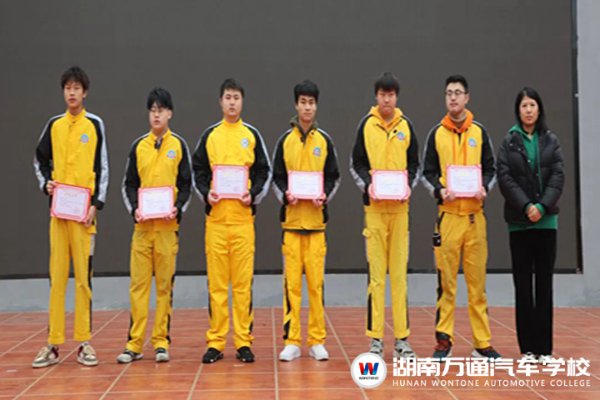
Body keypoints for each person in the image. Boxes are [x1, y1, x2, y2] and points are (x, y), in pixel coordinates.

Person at [33, 66, 109, 368]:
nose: (72, 93)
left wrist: (96, 205)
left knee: (83, 280)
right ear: (63, 92)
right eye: (68, 88)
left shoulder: (94, 124)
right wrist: (46, 184)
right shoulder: (54, 125)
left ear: (85, 92)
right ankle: (52, 343)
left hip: (83, 217)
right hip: (59, 215)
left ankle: (84, 343)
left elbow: (103, 167)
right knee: (57, 279)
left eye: (77, 88)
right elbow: (39, 159)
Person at [422, 74, 501, 360]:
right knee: (446, 284)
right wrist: (440, 190)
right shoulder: (436, 134)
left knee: (477, 285)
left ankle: (482, 342)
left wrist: (485, 187)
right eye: (449, 93)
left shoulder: (479, 132)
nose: (453, 97)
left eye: (458, 92)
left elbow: (491, 169)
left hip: (474, 218)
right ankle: (444, 340)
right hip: (448, 217)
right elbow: (427, 173)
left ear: (467, 97)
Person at [192, 78, 271, 363]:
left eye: (236, 97)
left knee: (242, 285)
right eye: (227, 97)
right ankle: (215, 342)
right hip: (216, 221)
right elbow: (198, 171)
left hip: (242, 221)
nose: (232, 102)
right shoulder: (210, 135)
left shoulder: (251, 135)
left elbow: (263, 171)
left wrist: (253, 194)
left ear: (242, 101)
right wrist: (206, 193)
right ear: (220, 102)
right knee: (216, 285)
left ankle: (243, 342)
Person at [117, 88, 192, 364]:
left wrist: (177, 208)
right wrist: (134, 210)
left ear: (170, 113)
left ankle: (161, 342)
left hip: (167, 230)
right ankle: (134, 344)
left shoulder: (178, 146)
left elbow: (186, 185)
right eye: (152, 110)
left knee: (164, 288)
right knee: (138, 287)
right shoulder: (139, 146)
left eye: (161, 110)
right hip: (142, 229)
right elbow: (128, 185)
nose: (156, 115)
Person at [350, 72, 419, 359]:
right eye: (382, 94)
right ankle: (375, 339)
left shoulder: (406, 126)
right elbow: (356, 163)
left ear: (396, 97)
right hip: (375, 212)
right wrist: (368, 186)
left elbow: (414, 165)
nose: (386, 99)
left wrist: (408, 185)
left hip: (400, 211)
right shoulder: (366, 125)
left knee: (399, 277)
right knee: (376, 278)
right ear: (376, 96)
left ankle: (402, 339)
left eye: (390, 95)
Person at [272, 80, 340, 362]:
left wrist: (324, 196)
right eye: (303, 102)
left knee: (315, 286)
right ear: (296, 105)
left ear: (316, 106)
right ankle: (291, 341)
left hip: (316, 226)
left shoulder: (324, 141)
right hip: (291, 225)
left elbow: (334, 177)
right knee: (291, 287)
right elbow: (276, 178)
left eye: (311, 102)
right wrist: (285, 195)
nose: (307, 107)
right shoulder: (284, 141)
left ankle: (317, 340)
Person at [497, 87, 564, 365]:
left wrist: (542, 207)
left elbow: (557, 177)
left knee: (544, 285)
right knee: (523, 287)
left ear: (539, 109)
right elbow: (505, 178)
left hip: (546, 223)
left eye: (532, 105)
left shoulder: (550, 140)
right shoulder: (509, 141)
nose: (528, 110)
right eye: (524, 105)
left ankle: (544, 350)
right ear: (518, 109)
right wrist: (526, 207)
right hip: (519, 224)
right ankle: (527, 350)